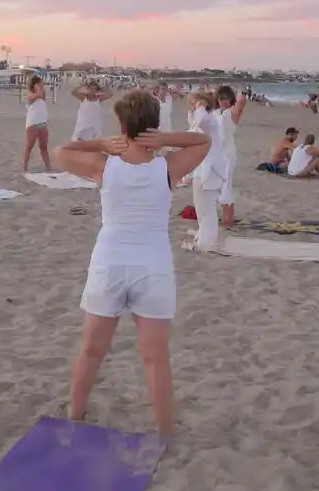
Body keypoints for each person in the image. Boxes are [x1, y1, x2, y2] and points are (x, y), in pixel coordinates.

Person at [52, 89, 210, 436]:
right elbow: (203, 142)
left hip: (110, 262)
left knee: (92, 350)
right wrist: (166, 139)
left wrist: (102, 145)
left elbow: (60, 151)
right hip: (153, 267)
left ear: (121, 125)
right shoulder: (167, 167)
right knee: (155, 358)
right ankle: (164, 432)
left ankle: (75, 416)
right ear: (153, 125)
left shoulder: (104, 166)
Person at [185, 91, 228, 251]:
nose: (193, 107)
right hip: (204, 169)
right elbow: (193, 128)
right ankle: (203, 237)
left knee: (206, 210)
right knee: (201, 208)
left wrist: (200, 106)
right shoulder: (208, 121)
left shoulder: (209, 120)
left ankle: (205, 243)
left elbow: (200, 120)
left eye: (194, 104)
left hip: (210, 170)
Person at [214, 86, 246, 227]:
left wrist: (239, 92)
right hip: (217, 152)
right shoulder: (216, 112)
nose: (224, 102)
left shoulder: (232, 112)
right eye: (221, 99)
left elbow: (242, 101)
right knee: (219, 186)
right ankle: (225, 217)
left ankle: (228, 220)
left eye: (226, 99)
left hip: (228, 153)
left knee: (226, 185)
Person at [22, 74, 51, 172]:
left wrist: (41, 88)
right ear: (34, 85)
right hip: (33, 124)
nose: (42, 85)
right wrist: (37, 88)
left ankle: (48, 166)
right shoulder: (30, 95)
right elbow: (37, 95)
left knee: (44, 147)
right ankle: (24, 167)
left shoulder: (41, 93)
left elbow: (42, 96)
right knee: (29, 147)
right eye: (40, 83)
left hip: (43, 123)